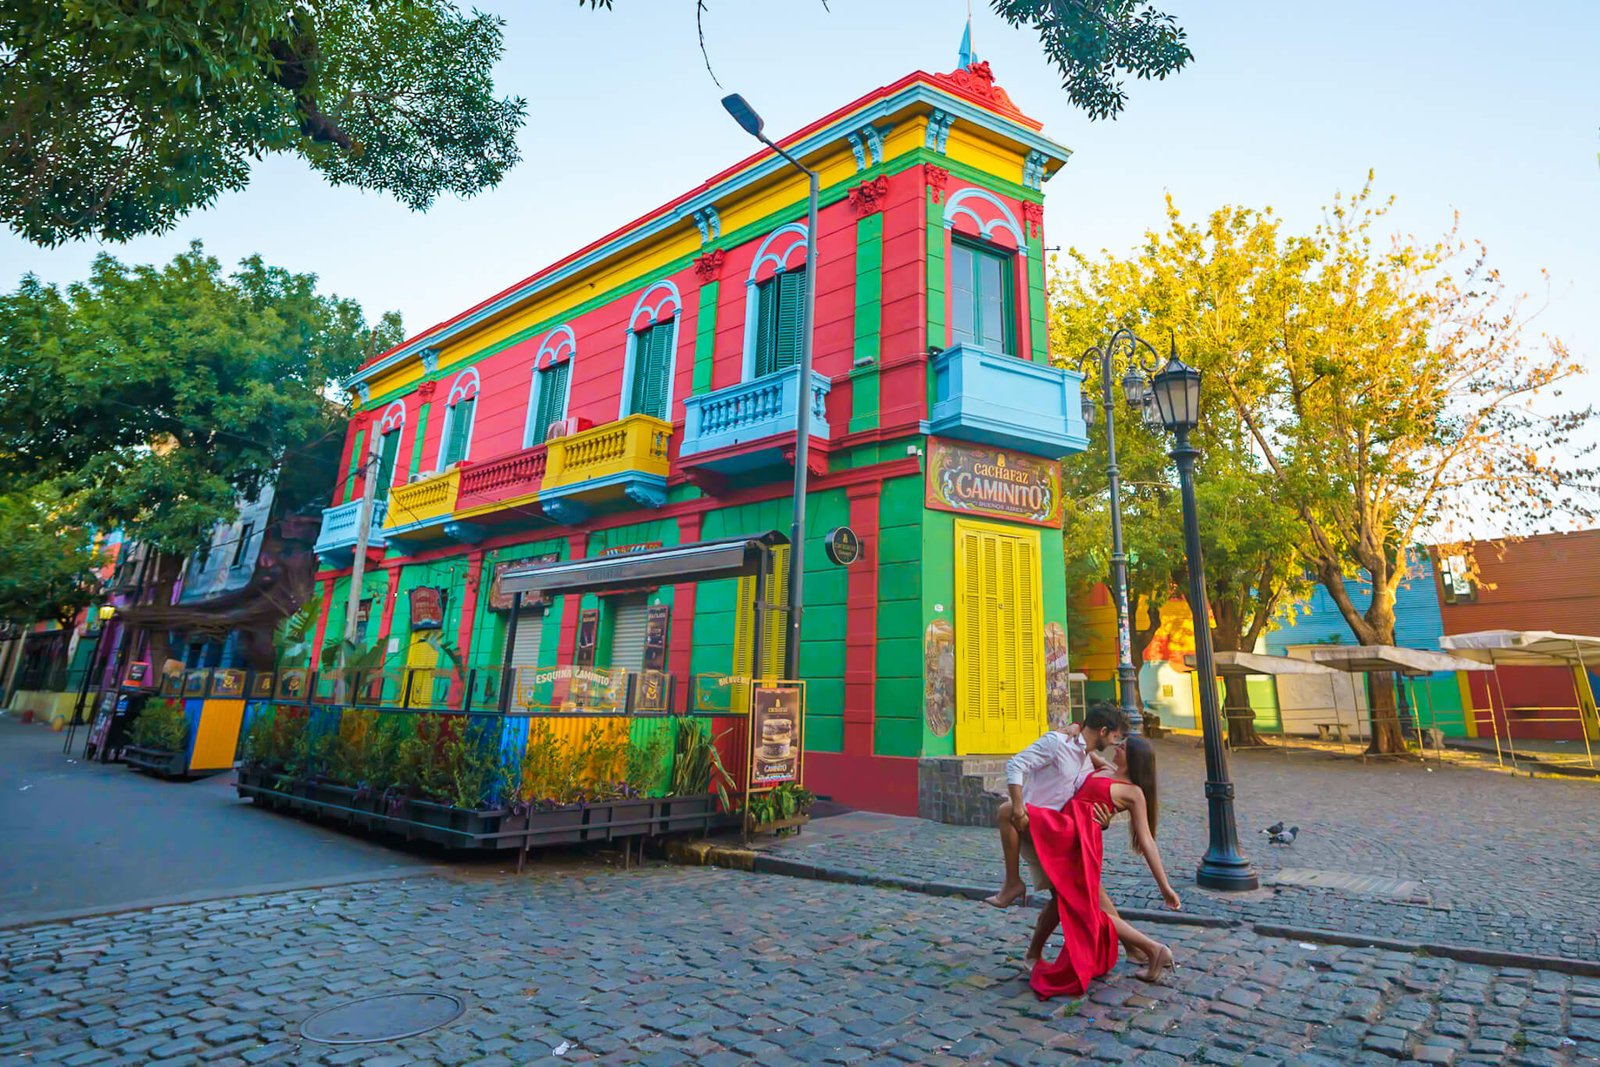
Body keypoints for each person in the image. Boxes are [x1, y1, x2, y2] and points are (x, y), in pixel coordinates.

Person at [1026, 735, 1182, 998]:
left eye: (1122, 747)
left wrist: (1164, 886)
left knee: (1084, 909)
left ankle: (1154, 949)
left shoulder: (1134, 792)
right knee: (1073, 902)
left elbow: (1146, 841)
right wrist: (1072, 729)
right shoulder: (1105, 768)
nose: (1116, 747)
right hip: (1066, 837)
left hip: (1083, 848)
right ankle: (1140, 950)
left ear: (1133, 758)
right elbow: (1083, 745)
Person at [983, 703, 1129, 910]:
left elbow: (1108, 781)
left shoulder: (1088, 759)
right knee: (1007, 810)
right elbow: (1016, 764)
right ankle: (1012, 883)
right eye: (1115, 736)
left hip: (1058, 833)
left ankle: (1013, 885)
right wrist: (1018, 808)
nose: (1115, 743)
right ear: (1103, 731)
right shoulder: (1058, 743)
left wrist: (1106, 820)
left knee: (1072, 902)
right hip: (1033, 824)